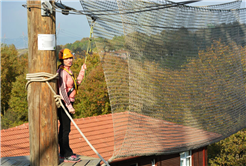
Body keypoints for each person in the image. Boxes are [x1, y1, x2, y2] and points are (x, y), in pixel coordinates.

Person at [57, 48, 86, 163]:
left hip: (69, 102)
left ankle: (64, 152)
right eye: (66, 58)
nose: (69, 60)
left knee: (65, 129)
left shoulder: (69, 71)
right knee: (65, 129)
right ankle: (66, 153)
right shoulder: (62, 72)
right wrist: (69, 106)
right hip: (64, 104)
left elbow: (76, 83)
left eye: (70, 58)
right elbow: (62, 90)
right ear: (62, 60)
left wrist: (82, 71)